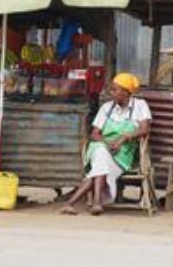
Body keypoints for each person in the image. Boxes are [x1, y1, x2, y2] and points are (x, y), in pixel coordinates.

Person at [60, 72, 151, 216]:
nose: (111, 93)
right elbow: (95, 134)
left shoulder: (140, 106)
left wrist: (125, 137)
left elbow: (145, 129)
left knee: (99, 168)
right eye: (111, 90)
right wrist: (107, 143)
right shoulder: (106, 108)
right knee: (101, 153)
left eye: (115, 90)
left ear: (126, 92)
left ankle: (71, 203)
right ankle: (96, 203)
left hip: (122, 153)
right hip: (99, 147)